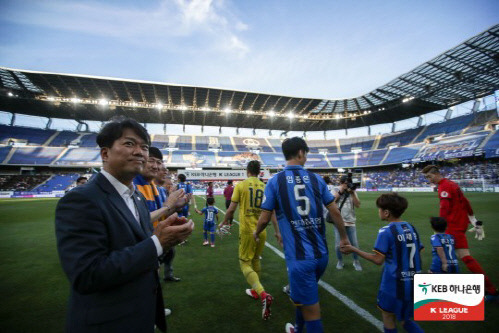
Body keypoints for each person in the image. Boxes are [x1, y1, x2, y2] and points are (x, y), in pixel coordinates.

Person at [55, 117, 194, 333]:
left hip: (139, 315)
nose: (140, 152)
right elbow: (87, 275)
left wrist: (163, 234)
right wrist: (158, 242)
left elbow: (137, 247)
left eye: (144, 147)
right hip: (107, 323)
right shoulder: (81, 199)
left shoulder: (135, 197)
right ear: (105, 153)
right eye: (129, 144)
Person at [254, 137, 351, 333]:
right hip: (321, 255)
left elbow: (264, 218)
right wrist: (343, 237)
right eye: (306, 153)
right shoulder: (316, 179)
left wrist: (256, 233)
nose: (306, 157)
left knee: (312, 313)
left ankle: (303, 326)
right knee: (303, 300)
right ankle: (298, 328)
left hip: (300, 259)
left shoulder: (275, 181)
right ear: (300, 153)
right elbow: (335, 212)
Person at [344, 193, 424, 333]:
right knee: (406, 319)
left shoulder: (386, 231)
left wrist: (354, 249)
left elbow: (377, 260)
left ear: (386, 213)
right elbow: (419, 251)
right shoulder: (412, 228)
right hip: (413, 282)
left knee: (388, 317)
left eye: (379, 209)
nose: (378, 211)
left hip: (393, 284)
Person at [422, 165, 497, 300]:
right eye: (426, 178)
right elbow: (465, 202)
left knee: (442, 255)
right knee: (459, 257)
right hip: (459, 225)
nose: (429, 180)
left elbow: (444, 208)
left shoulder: (444, 186)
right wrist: (474, 220)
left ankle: (441, 290)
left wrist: (439, 229)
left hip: (452, 227)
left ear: (437, 174)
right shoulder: (452, 184)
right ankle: (491, 290)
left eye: (429, 177)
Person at [220, 160, 279, 320]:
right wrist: (278, 232)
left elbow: (231, 209)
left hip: (247, 231)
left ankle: (262, 294)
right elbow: (272, 212)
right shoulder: (265, 186)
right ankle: (254, 291)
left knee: (245, 263)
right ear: (260, 172)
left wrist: (224, 222)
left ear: (247, 171)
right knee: (255, 260)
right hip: (262, 231)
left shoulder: (241, 185)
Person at [134, 148, 184, 283]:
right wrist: (168, 206)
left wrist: (175, 207)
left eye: (159, 162)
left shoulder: (151, 186)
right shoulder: (133, 185)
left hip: (153, 241)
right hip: (141, 245)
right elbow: (140, 219)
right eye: (151, 161)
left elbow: (158, 214)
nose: (156, 166)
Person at [331, 175, 362, 271]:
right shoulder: (335, 189)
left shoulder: (352, 191)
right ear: (341, 183)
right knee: (338, 245)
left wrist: (352, 193)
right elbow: (331, 201)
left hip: (351, 221)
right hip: (338, 222)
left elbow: (357, 205)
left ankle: (356, 261)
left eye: (349, 183)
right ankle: (340, 261)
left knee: (354, 244)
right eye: (346, 183)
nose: (348, 185)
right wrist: (341, 191)